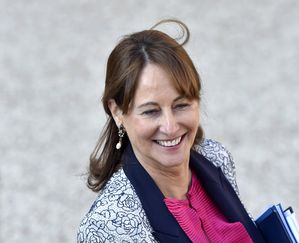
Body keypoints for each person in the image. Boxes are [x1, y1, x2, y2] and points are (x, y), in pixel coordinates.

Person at [77, 19, 266, 243]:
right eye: (150, 111)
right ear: (117, 111)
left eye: (181, 105)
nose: (170, 126)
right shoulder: (109, 227)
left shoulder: (216, 158)